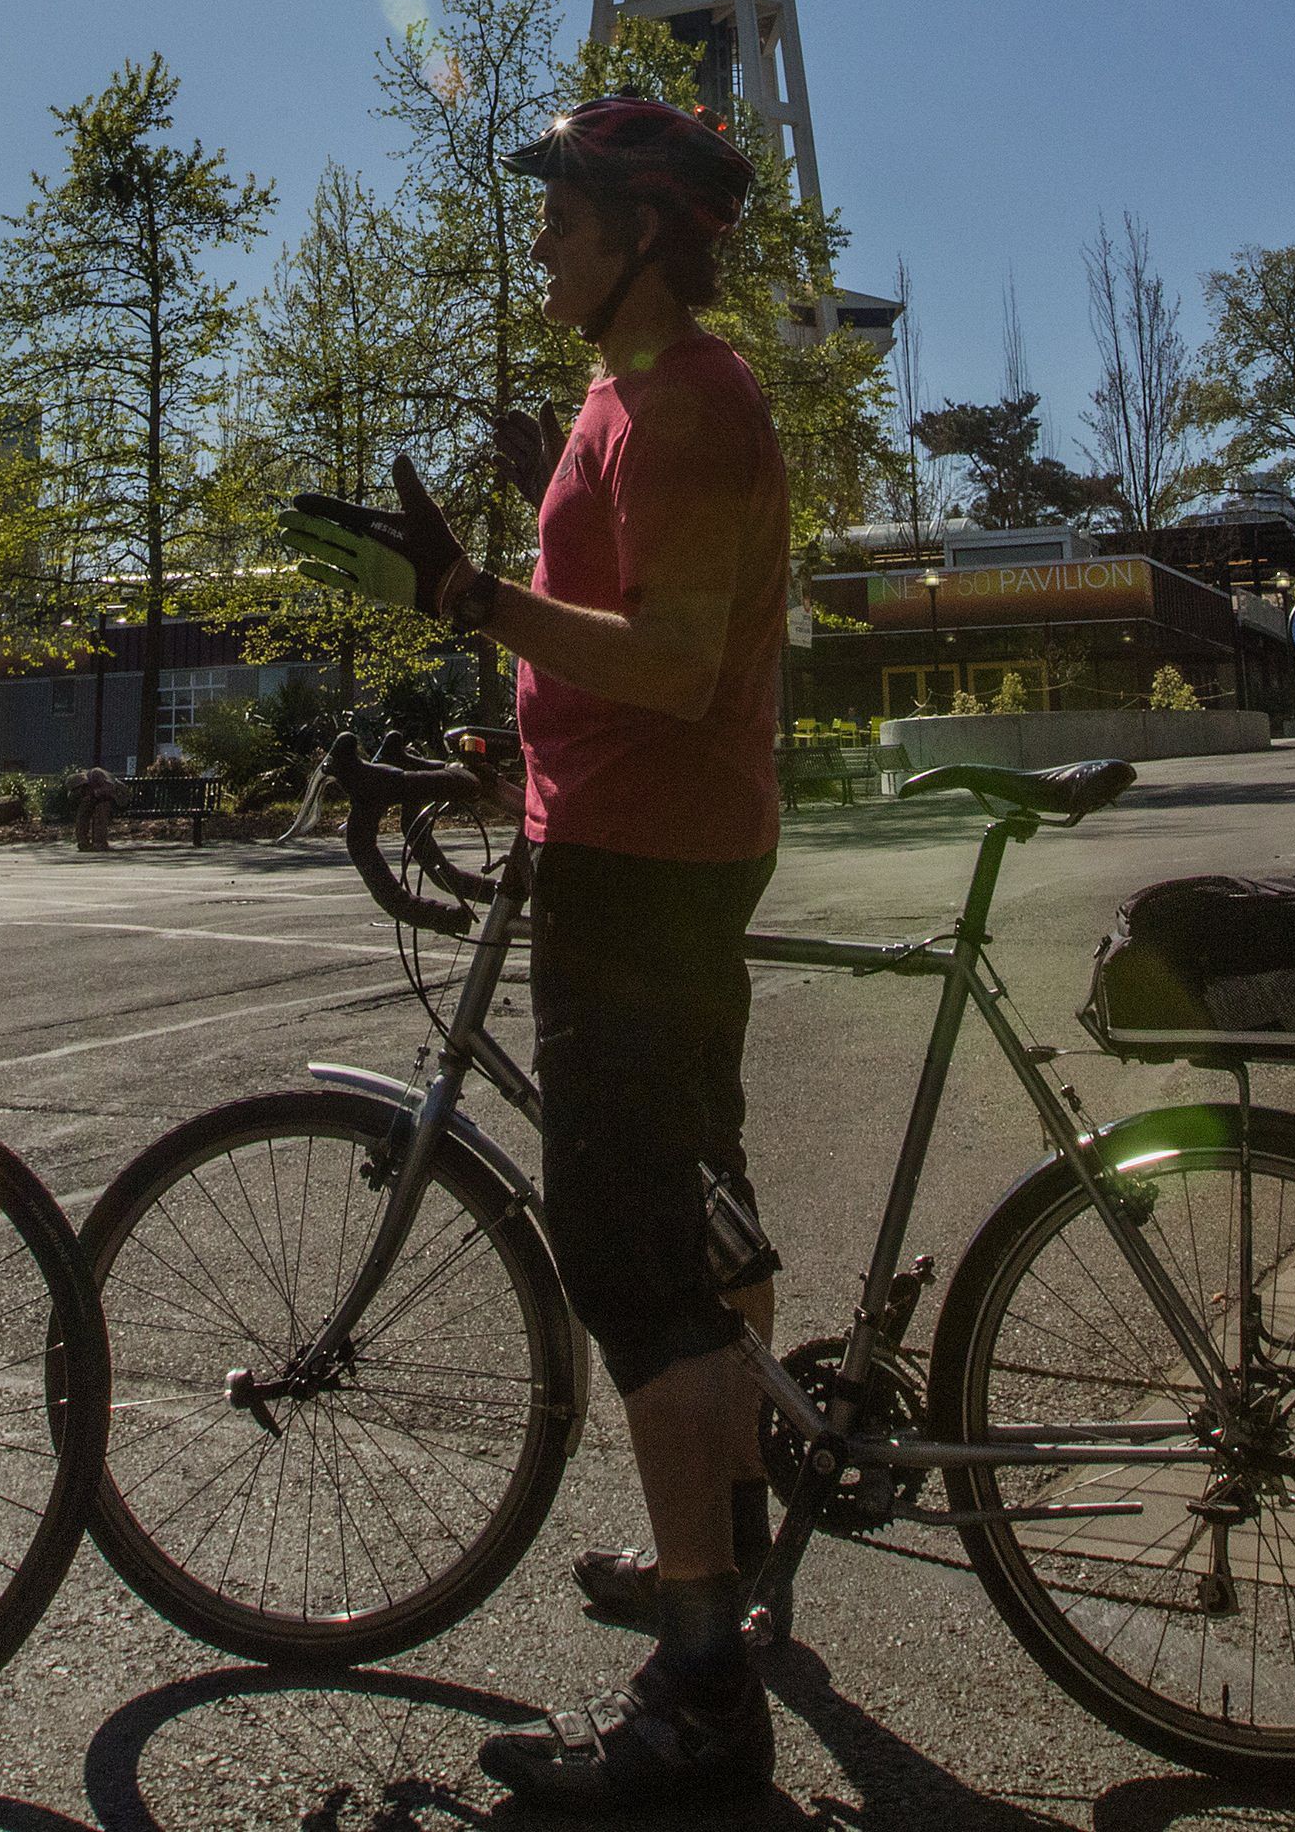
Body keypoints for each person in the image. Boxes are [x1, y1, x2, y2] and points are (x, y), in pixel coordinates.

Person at [285, 94, 798, 1808]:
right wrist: (510, 707)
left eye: (567, 214)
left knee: (633, 1257)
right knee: (697, 1216)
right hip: (624, 838)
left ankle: (704, 1702)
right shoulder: (609, 403)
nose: (542, 240)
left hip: (648, 870)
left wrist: (471, 600)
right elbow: (609, 637)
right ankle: (717, 1557)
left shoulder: (695, 404)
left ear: (644, 231)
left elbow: (673, 660)